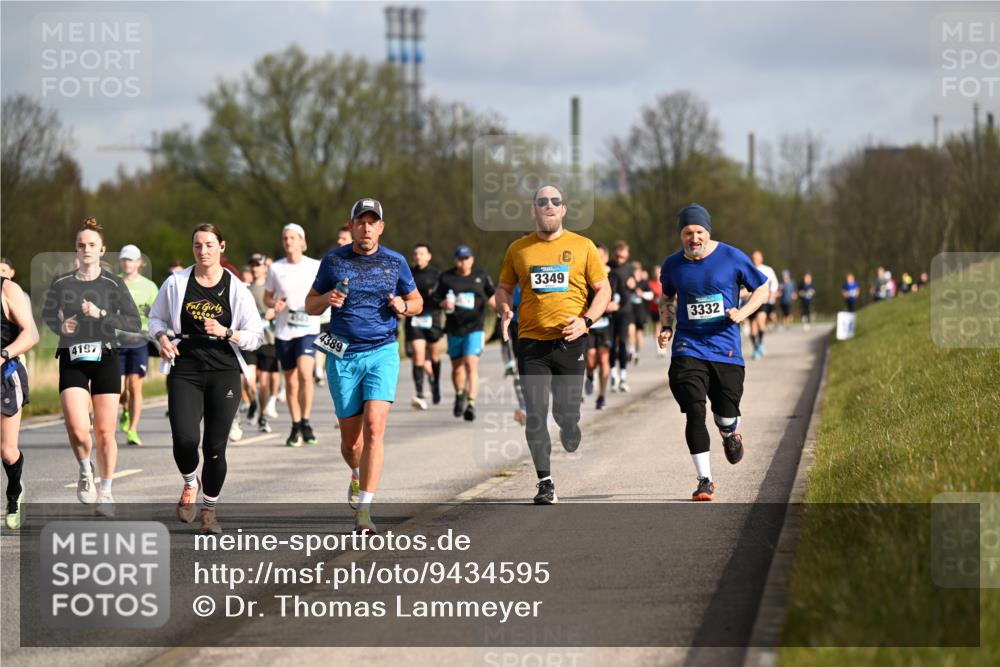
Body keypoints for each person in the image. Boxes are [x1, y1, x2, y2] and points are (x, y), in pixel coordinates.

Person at [305, 197, 421, 534]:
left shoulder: (395, 262)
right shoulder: (333, 261)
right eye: (361, 221)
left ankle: (365, 512)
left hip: (382, 351)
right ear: (352, 226)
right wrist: (327, 299)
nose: (367, 227)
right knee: (351, 443)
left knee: (374, 428)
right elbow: (310, 304)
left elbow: (417, 301)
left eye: (373, 222)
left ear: (381, 227)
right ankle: (356, 473)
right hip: (342, 353)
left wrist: (404, 304)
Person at [496, 185, 611, 505]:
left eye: (555, 201)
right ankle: (544, 482)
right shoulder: (518, 249)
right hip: (531, 343)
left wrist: (586, 320)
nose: (548, 206)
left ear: (563, 209)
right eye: (542, 201)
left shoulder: (583, 246)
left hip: (570, 343)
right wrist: (504, 307)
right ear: (533, 210)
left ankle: (570, 424)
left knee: (565, 412)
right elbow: (503, 288)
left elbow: (603, 290)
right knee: (535, 413)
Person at [149, 224, 264, 535]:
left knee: (215, 447)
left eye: (210, 245)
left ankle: (209, 509)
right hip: (184, 367)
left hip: (224, 370)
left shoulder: (236, 288)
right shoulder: (176, 283)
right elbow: (155, 318)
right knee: (185, 438)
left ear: (221, 247)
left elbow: (256, 336)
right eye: (198, 245)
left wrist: (227, 332)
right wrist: (161, 338)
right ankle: (190, 482)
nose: (204, 251)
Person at [657, 203, 769, 502]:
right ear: (681, 235)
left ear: (708, 232)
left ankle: (730, 433)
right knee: (694, 409)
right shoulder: (672, 265)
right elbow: (667, 297)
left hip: (725, 349)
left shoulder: (732, 257)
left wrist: (743, 314)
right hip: (688, 346)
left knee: (725, 415)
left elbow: (762, 288)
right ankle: (704, 480)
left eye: (699, 232)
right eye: (687, 233)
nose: (694, 238)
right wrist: (667, 326)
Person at [41, 218, 142, 516]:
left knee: (104, 432)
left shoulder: (113, 283)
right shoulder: (61, 283)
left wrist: (102, 315)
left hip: (106, 358)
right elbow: (47, 316)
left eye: (92, 245)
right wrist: (62, 324)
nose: (86, 249)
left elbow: (133, 323)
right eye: (81, 245)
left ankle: (107, 492)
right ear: (76, 249)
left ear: (102, 250)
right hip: (72, 357)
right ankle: (86, 470)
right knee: (76, 426)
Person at [265, 223, 323, 447]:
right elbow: (268, 297)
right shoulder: (275, 268)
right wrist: (274, 304)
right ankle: (296, 423)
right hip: (284, 330)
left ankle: (306, 421)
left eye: (292, 238)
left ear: (302, 242)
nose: (288, 241)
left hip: (308, 327)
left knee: (306, 374)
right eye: (285, 238)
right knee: (290, 381)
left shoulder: (315, 266)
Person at [432, 244, 496, 422]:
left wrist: (498, 307)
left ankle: (471, 403)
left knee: (470, 364)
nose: (463, 262)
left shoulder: (480, 276)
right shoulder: (446, 277)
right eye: (460, 259)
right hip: (454, 328)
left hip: (475, 327)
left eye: (466, 258)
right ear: (455, 260)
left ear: (472, 259)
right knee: (457, 367)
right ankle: (460, 394)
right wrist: (443, 303)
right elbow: (435, 297)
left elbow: (492, 294)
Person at [2, 272, 40, 529]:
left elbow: (31, 335)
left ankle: (14, 491)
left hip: (6, 373)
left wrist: (3, 354)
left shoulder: (8, 290)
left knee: (6, 450)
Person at [116, 244, 159, 446]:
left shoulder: (149, 286)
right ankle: (124, 409)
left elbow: (159, 314)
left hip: (139, 340)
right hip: (117, 340)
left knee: (134, 385)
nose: (127, 263)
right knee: (120, 389)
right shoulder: (113, 283)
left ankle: (133, 430)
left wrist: (151, 312)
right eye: (124, 259)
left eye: (131, 259)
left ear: (139, 263)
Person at [404, 243, 443, 410]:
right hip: (414, 319)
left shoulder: (437, 275)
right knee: (418, 356)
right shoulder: (408, 274)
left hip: (432, 318)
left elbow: (444, 295)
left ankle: (435, 384)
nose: (418, 256)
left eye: (421, 253)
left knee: (434, 356)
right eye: (415, 253)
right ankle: (419, 394)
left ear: (429, 256)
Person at [585, 245, 617, 410]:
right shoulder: (585, 276)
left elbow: (619, 299)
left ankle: (602, 396)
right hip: (588, 325)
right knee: (590, 360)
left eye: (601, 255)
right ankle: (589, 374)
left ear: (605, 257)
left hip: (605, 326)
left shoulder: (612, 277)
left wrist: (614, 305)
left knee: (604, 360)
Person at [607, 241, 635, 393]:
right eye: (618, 256)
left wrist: (634, 285)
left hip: (625, 310)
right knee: (610, 343)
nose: (620, 260)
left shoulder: (629, 268)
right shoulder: (608, 266)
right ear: (614, 254)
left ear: (627, 255)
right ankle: (613, 375)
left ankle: (623, 376)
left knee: (623, 342)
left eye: (623, 257)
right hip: (609, 311)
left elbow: (633, 287)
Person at [748, 251, 779, 360]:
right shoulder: (748, 268)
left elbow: (774, 282)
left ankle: (760, 343)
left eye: (757, 257)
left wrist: (772, 293)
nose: (755, 259)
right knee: (752, 329)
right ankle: (756, 348)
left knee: (761, 322)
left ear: (761, 258)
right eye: (753, 258)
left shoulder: (767, 270)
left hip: (763, 301)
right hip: (750, 301)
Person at [647, 265, 666, 357]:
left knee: (665, 327)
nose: (658, 273)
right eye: (656, 272)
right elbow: (650, 295)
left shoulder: (665, 282)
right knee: (657, 327)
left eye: (659, 271)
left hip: (664, 308)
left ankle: (664, 346)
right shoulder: (651, 283)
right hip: (654, 308)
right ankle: (659, 347)